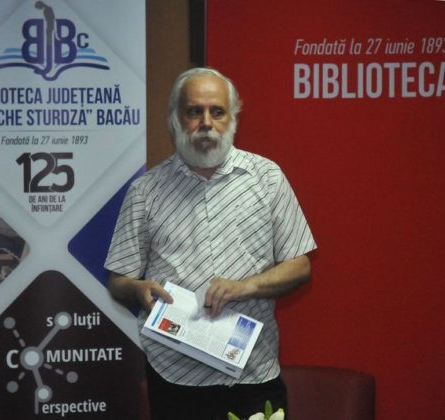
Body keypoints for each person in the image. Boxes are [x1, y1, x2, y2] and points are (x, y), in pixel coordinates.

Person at [105, 67, 316, 420]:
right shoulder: (145, 191)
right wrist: (137, 289)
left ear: (233, 118)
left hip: (252, 373)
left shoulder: (267, 178)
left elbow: (301, 265)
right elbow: (118, 279)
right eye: (194, 111)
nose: (206, 123)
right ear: (176, 119)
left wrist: (246, 286)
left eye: (217, 111)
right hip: (175, 378)